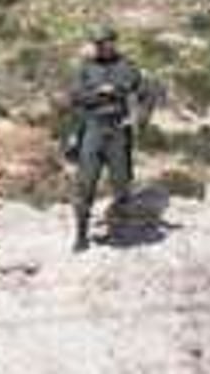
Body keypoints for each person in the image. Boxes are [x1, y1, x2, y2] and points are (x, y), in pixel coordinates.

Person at [67, 24, 144, 253]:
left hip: (118, 129)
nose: (101, 47)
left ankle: (118, 228)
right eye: (97, 43)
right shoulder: (85, 68)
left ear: (113, 42)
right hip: (93, 128)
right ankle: (81, 234)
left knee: (121, 182)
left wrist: (138, 118)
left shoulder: (127, 66)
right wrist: (97, 93)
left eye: (105, 42)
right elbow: (75, 96)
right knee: (85, 183)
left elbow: (142, 91)